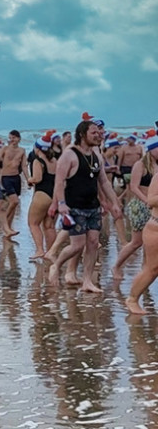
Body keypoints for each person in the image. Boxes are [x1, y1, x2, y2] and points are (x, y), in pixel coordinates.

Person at [49, 115, 121, 293]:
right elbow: (59, 182)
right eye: (94, 132)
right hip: (75, 206)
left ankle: (87, 281)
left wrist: (114, 203)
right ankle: (56, 265)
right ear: (82, 134)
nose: (99, 135)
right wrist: (61, 204)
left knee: (93, 243)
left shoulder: (96, 154)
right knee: (77, 245)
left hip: (93, 206)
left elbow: (103, 181)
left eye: (99, 132)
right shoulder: (70, 154)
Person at [114, 131, 156, 281]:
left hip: (154, 208)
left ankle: (145, 270)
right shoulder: (140, 165)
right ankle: (117, 266)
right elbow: (134, 187)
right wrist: (146, 201)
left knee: (150, 241)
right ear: (151, 149)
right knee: (137, 242)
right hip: (140, 206)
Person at [125, 132, 158, 315]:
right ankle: (132, 299)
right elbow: (152, 200)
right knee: (152, 269)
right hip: (155, 228)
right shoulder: (156, 175)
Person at [25, 131, 60, 260]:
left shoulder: (37, 160)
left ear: (37, 148)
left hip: (42, 194)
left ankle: (40, 250)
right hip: (54, 194)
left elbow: (38, 178)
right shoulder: (54, 160)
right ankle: (51, 252)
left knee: (33, 223)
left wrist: (30, 180)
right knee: (49, 226)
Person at [0, 130, 26, 238]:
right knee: (14, 201)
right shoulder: (5, 149)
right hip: (6, 177)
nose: (12, 140)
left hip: (16, 178)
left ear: (19, 139)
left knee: (13, 205)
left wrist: (29, 179)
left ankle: (8, 229)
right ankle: (4, 223)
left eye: (14, 138)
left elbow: (24, 166)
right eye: (10, 138)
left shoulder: (22, 150)